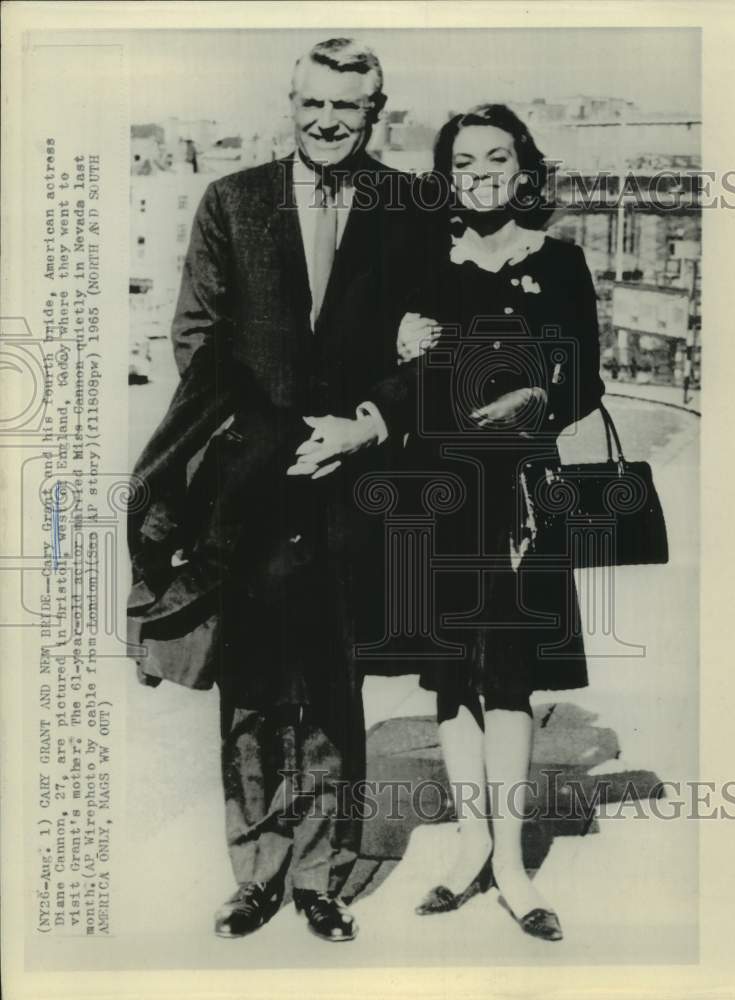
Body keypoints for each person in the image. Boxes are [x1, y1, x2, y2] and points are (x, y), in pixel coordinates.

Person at [127, 38, 425, 942]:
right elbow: (198, 342)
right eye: (314, 103)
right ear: (289, 101)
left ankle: (322, 877)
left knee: (334, 683)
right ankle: (256, 872)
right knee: (253, 684)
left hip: (358, 484)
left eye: (349, 106)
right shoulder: (232, 200)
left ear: (378, 110)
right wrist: (275, 444)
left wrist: (365, 424)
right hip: (254, 485)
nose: (329, 121)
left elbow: (439, 343)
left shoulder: (412, 206)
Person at [395, 104, 605, 941]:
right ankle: (468, 846)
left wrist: (540, 397)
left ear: (524, 170)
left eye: (498, 158)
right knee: (451, 674)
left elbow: (585, 377)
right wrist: (399, 337)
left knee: (510, 673)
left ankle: (512, 864)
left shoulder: (558, 261)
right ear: (447, 177)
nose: (481, 174)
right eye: (464, 162)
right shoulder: (419, 259)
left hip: (521, 483)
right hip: (436, 487)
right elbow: (383, 364)